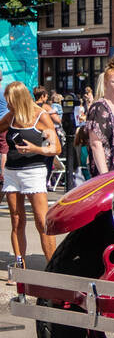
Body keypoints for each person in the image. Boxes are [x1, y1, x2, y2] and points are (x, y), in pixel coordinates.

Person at [0, 82, 63, 266]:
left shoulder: (40, 116)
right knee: (16, 220)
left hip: (34, 171)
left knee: (41, 221)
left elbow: (55, 147)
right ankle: (20, 266)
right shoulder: (11, 116)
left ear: (19, 99)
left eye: (10, 101)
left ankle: (52, 267)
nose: (8, 105)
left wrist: (35, 148)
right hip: (12, 172)